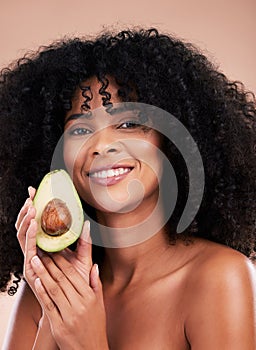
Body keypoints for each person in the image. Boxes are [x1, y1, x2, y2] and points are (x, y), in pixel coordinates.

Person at [0, 28, 255, 349]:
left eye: (128, 123)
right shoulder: (45, 289)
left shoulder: (218, 278)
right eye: (79, 128)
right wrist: (57, 308)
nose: (102, 145)